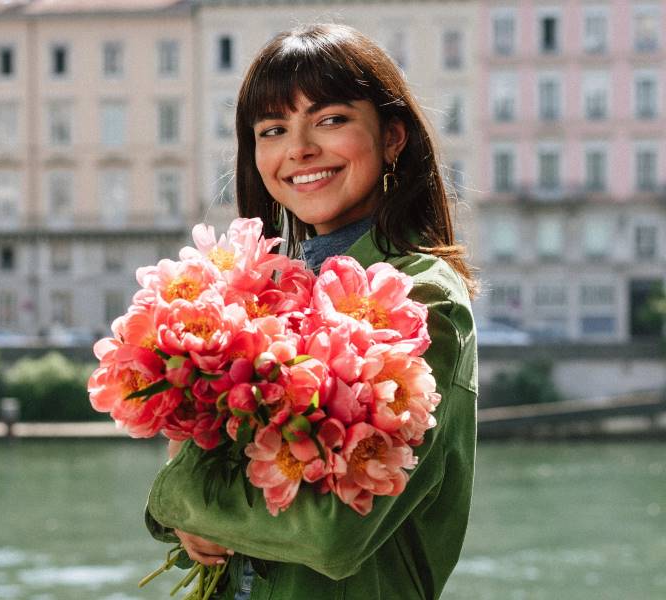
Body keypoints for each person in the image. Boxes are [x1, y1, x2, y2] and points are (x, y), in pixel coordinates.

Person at [146, 23, 478, 600]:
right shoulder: (261, 289)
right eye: (273, 129)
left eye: (330, 119)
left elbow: (332, 536)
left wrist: (175, 498)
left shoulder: (422, 296)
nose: (298, 148)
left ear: (393, 136)